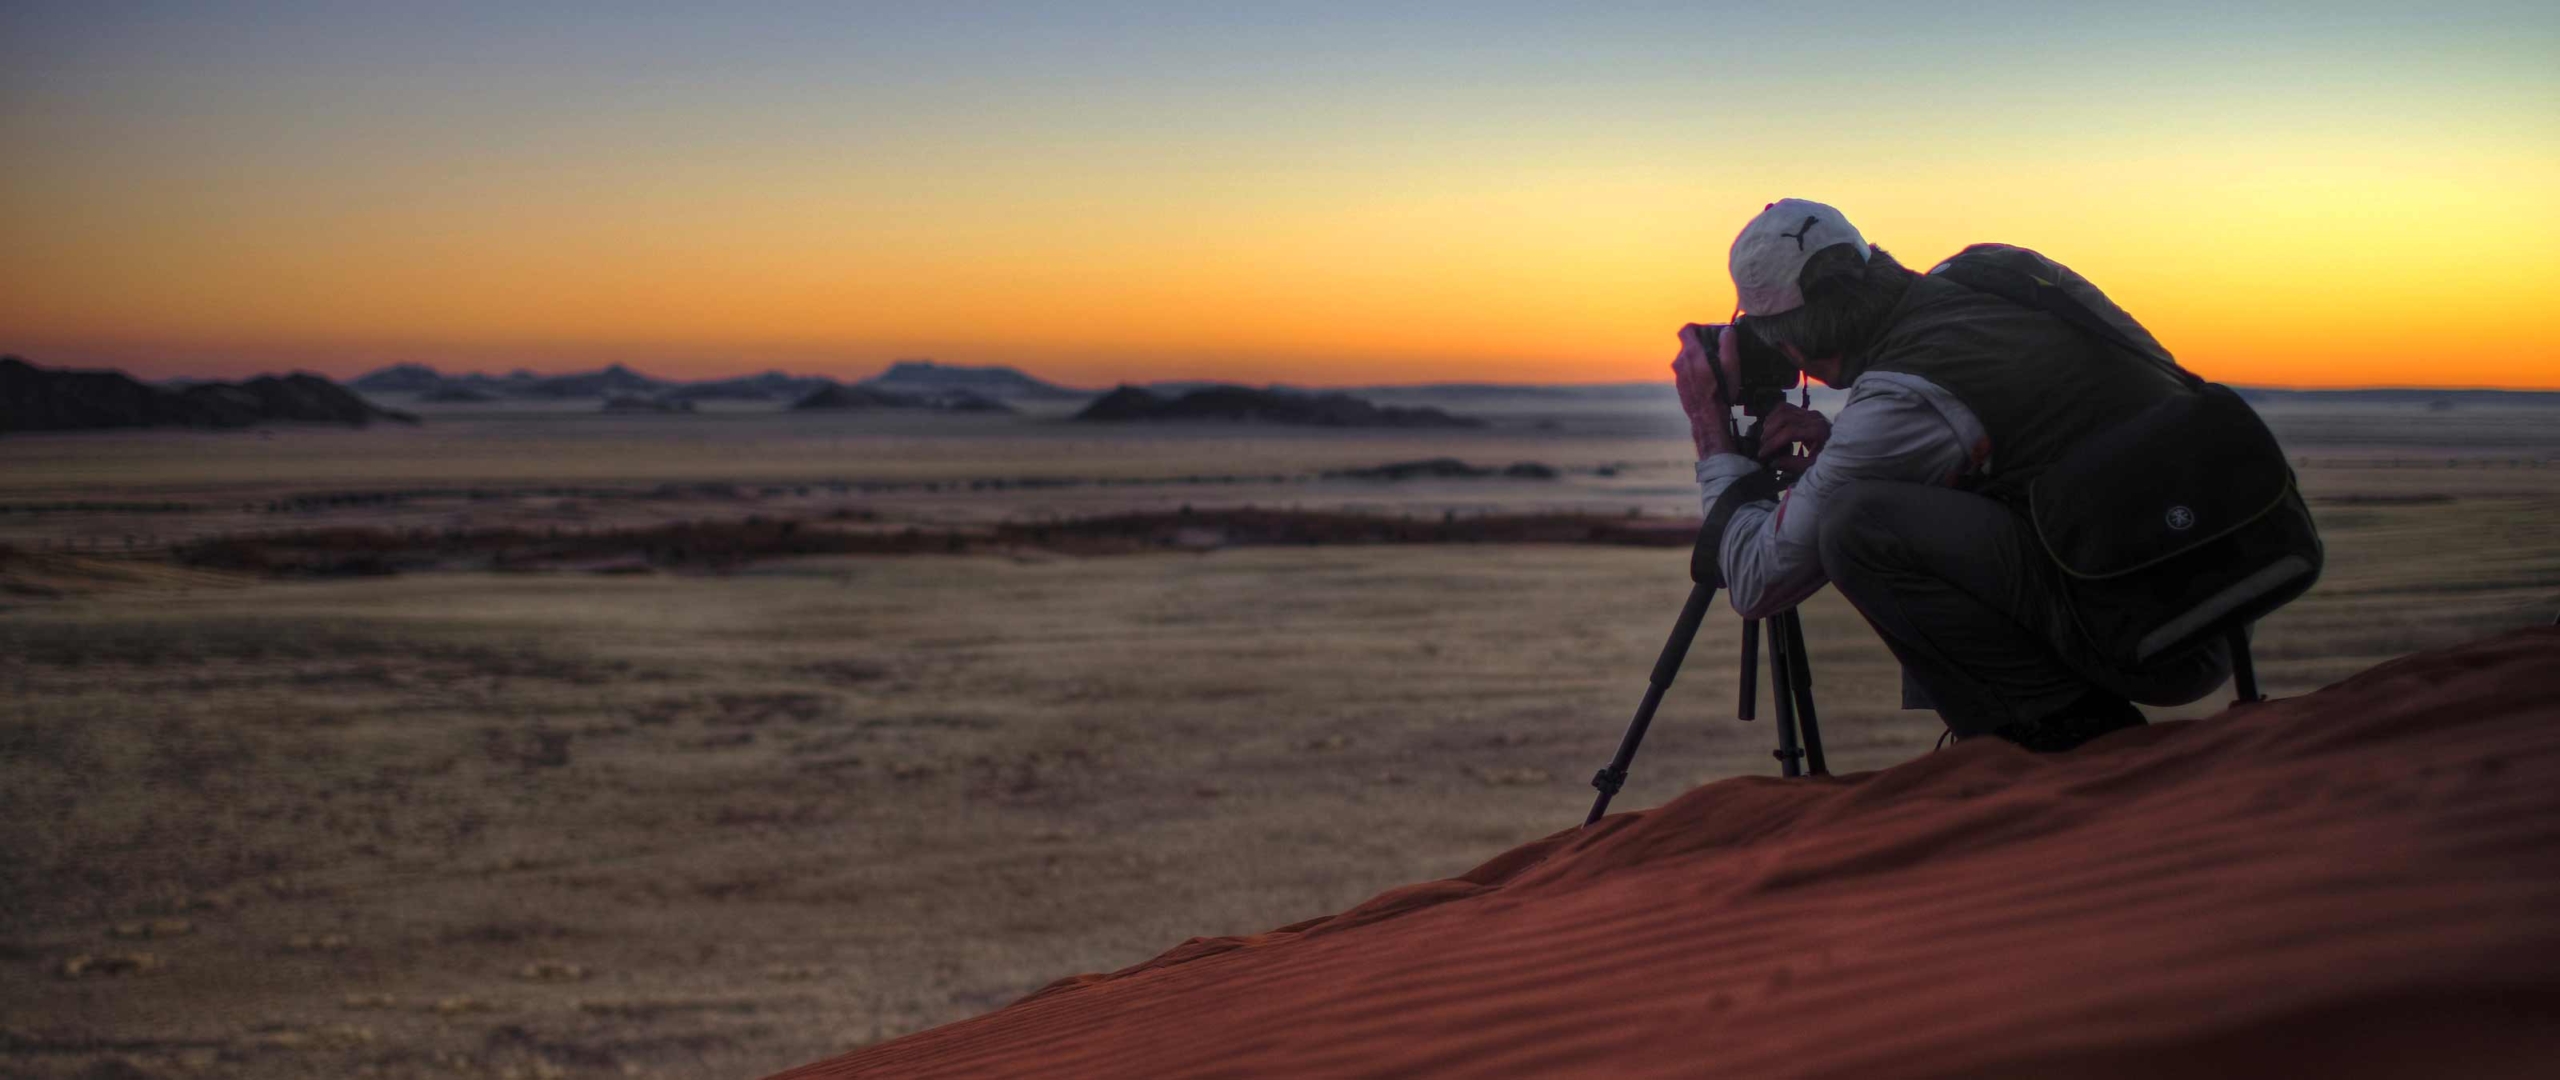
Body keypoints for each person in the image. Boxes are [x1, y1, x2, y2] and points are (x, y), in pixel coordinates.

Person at [1673, 199, 2231, 752]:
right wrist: (1839, 451)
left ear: (1794, 343)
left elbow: (1754, 580)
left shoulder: (1906, 393)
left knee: (1859, 524)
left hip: (2158, 634)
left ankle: (2058, 736)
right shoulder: (1991, 272)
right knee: (1871, 499)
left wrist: (1709, 426)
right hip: (2223, 577)